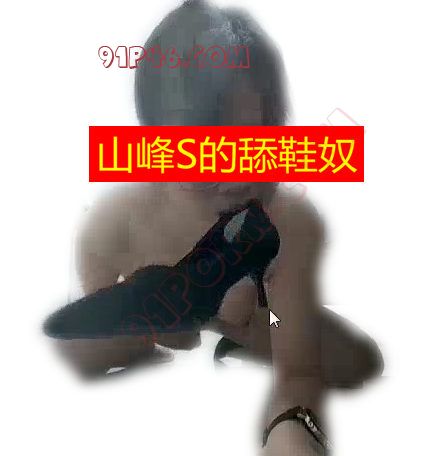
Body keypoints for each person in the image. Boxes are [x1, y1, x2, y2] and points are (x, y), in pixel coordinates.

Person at [58, 1, 383, 454]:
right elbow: (76, 351)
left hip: (276, 322)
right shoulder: (114, 224)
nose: (234, 171)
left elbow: (299, 379)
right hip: (168, 310)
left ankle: (227, 325)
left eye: (253, 143)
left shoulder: (284, 219)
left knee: (354, 360)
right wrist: (142, 331)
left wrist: (289, 427)